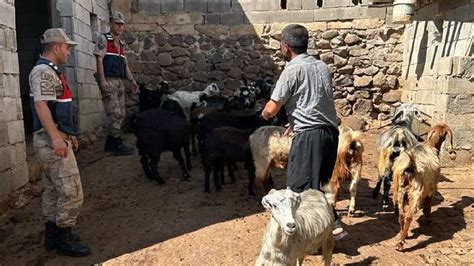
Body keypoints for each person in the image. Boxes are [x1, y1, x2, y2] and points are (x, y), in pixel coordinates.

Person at [261, 24, 348, 240]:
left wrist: (263, 114)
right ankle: (326, 228)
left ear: (286, 47)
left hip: (310, 136)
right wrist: (296, 120)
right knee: (317, 184)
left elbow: (272, 108)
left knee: (299, 188)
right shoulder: (321, 67)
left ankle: (330, 225)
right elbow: (314, 101)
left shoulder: (292, 69)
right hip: (330, 133)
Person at [29, 28, 91, 256]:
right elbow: (41, 105)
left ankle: (53, 236)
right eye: (67, 48)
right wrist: (56, 138)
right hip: (50, 141)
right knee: (71, 191)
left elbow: (57, 107)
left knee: (53, 190)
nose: (69, 52)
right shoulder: (43, 72)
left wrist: (69, 134)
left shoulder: (51, 71)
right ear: (56, 47)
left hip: (53, 138)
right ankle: (64, 237)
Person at [94, 11, 138, 156]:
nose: (120, 27)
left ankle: (111, 142)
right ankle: (116, 143)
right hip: (109, 79)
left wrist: (132, 80)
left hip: (119, 81)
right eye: (117, 24)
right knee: (115, 113)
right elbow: (99, 59)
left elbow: (124, 64)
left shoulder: (121, 43)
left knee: (121, 113)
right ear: (111, 24)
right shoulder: (104, 39)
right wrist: (102, 80)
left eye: (121, 24)